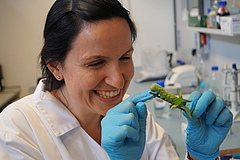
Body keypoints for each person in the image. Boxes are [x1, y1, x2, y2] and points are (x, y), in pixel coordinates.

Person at [0, 0, 233, 160]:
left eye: (125, 57)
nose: (118, 81)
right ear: (55, 67)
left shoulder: (136, 114)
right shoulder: (16, 131)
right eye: (95, 63)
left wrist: (198, 156)